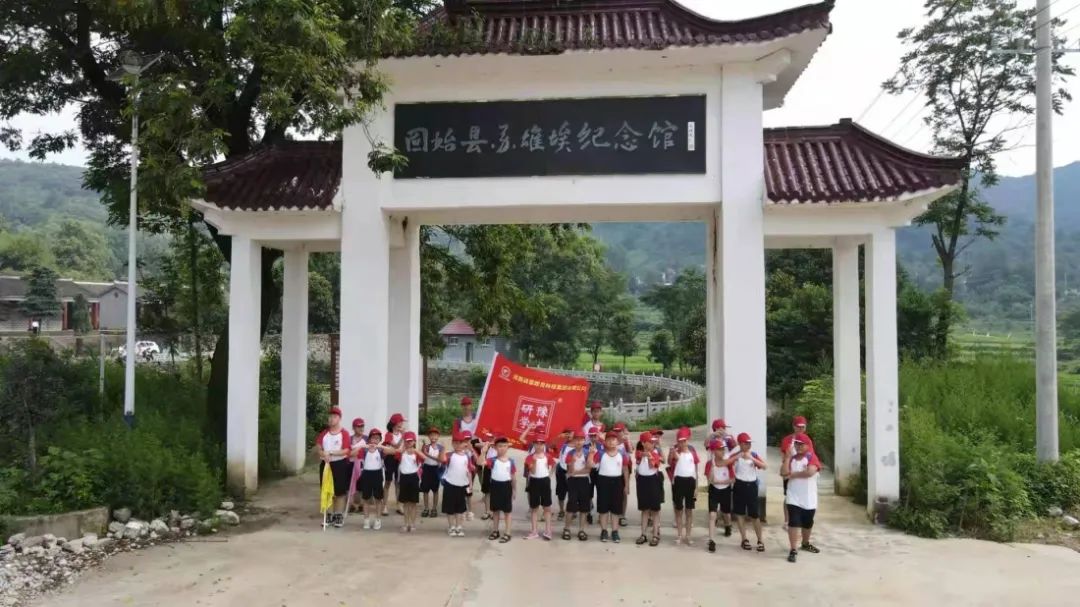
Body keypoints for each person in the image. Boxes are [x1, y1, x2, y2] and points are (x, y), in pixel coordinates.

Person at [725, 432, 767, 552]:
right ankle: (744, 539)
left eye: (749, 443)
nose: (748, 445)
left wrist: (752, 459)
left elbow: (764, 466)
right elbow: (725, 463)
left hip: (752, 486)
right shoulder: (735, 455)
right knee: (740, 513)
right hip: (739, 485)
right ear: (740, 444)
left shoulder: (753, 454)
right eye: (746, 443)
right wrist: (736, 457)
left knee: (754, 515)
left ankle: (760, 540)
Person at [782, 434, 821, 563]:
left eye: (801, 444)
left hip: (809, 498)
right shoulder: (791, 459)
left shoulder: (811, 457)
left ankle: (805, 543)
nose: (798, 446)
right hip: (793, 496)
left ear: (808, 446)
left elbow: (810, 472)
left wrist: (792, 474)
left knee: (807, 522)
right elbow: (783, 472)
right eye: (796, 444)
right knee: (794, 522)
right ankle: (793, 549)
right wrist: (787, 458)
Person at [315, 407, 352, 528]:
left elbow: (346, 450)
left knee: (340, 491)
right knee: (326, 490)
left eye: (334, 417)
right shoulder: (324, 433)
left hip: (339, 464)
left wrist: (330, 453)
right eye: (330, 417)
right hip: (326, 465)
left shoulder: (344, 433)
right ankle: (329, 515)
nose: (331, 419)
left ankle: (338, 516)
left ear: (339, 419)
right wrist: (323, 454)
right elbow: (319, 448)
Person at [594, 430, 631, 543]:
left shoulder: (622, 454)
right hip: (603, 481)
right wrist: (591, 454)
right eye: (608, 440)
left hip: (617, 481)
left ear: (617, 441)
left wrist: (626, 485)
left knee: (616, 509)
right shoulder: (600, 453)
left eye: (613, 440)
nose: (611, 442)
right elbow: (591, 465)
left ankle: (615, 531)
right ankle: (604, 531)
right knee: (603, 508)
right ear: (605, 442)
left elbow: (625, 470)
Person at [358, 428, 398, 530]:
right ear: (369, 439)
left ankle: (378, 519)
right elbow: (352, 453)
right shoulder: (365, 450)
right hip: (366, 474)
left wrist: (382, 446)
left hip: (377, 474)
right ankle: (366, 520)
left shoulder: (381, 450)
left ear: (380, 440)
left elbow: (394, 451)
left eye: (377, 438)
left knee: (378, 498)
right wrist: (361, 446)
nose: (374, 440)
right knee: (366, 498)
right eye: (373, 438)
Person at [779, 415, 815, 528]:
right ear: (793, 426)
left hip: (802, 470)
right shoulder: (787, 440)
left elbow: (811, 455)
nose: (800, 429)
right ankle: (787, 520)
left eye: (803, 427)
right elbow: (783, 456)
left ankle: (800, 517)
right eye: (798, 426)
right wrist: (787, 465)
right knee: (788, 495)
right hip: (789, 470)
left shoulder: (807, 440)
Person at [521, 424, 555, 540]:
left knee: (547, 507)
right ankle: (534, 531)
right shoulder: (529, 458)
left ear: (544, 444)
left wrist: (549, 474)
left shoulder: (548, 456)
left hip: (545, 481)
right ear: (533, 444)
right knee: (534, 508)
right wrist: (534, 462)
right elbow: (533, 471)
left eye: (541, 443)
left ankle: (548, 530)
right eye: (537, 443)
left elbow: (553, 464)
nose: (539, 446)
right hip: (534, 481)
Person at [667, 426, 700, 546]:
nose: (682, 443)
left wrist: (696, 487)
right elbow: (669, 462)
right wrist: (671, 453)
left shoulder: (693, 453)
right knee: (679, 510)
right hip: (678, 482)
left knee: (689, 510)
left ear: (687, 440)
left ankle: (688, 535)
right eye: (680, 441)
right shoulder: (676, 452)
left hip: (690, 482)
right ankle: (679, 535)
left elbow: (696, 471)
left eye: (684, 441)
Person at [705, 435, 736, 553]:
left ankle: (728, 526)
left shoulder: (728, 463)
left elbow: (733, 479)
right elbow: (710, 480)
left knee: (726, 513)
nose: (722, 451)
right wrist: (712, 471)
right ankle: (711, 540)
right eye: (719, 449)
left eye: (723, 449)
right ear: (714, 451)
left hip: (726, 490)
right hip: (714, 490)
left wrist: (721, 482)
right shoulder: (710, 463)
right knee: (712, 515)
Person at [561, 430, 594, 541]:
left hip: (584, 481)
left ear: (584, 441)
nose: (579, 442)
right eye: (577, 439)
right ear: (573, 441)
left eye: (581, 439)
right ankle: (567, 529)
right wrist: (573, 462)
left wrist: (591, 455)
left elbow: (588, 469)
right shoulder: (570, 453)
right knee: (571, 504)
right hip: (573, 482)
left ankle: (582, 530)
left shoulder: (587, 452)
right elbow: (570, 471)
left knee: (584, 507)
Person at [441, 430, 475, 537]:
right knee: (450, 508)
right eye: (455, 443)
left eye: (460, 443)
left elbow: (469, 471)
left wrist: (470, 485)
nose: (458, 445)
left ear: (464, 443)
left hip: (462, 485)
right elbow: (442, 459)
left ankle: (459, 526)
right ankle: (451, 526)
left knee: (460, 508)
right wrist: (443, 449)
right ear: (452, 443)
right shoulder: (449, 455)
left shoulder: (467, 457)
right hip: (450, 484)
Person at [634, 431, 663, 546]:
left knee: (655, 510)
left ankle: (655, 535)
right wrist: (645, 454)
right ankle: (643, 534)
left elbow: (653, 466)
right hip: (642, 482)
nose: (652, 444)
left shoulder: (655, 454)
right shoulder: (639, 453)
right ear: (643, 443)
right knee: (644, 509)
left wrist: (650, 457)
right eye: (650, 442)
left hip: (653, 481)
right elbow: (638, 455)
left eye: (653, 442)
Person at [486, 436, 516, 543]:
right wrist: (484, 451)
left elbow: (513, 476)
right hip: (495, 486)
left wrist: (514, 490)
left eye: (504, 446)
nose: (502, 448)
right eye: (499, 446)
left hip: (506, 486)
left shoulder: (511, 461)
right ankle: (495, 531)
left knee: (507, 511)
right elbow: (480, 462)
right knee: (495, 510)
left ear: (507, 447)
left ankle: (508, 532)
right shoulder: (492, 460)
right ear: (495, 447)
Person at [396, 431, 424, 532]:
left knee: (413, 503)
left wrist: (415, 450)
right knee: (406, 503)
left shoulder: (416, 453)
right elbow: (394, 452)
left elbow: (424, 457)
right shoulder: (401, 453)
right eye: (407, 441)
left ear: (414, 441)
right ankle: (406, 523)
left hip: (413, 478)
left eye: (411, 441)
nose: (409, 443)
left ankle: (412, 524)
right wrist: (402, 448)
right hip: (404, 477)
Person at [383, 413, 407, 516]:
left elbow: (406, 447)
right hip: (390, 459)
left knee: (398, 483)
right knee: (388, 482)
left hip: (400, 460)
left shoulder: (402, 434)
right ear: (395, 423)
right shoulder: (389, 434)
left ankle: (399, 505)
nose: (402, 424)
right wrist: (403, 436)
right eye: (400, 421)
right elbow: (396, 446)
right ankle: (384, 506)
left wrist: (404, 436)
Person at [420, 427, 445, 518]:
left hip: (435, 469)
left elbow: (441, 459)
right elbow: (422, 457)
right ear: (429, 436)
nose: (433, 437)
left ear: (438, 436)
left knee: (435, 490)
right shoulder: (426, 446)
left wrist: (427, 454)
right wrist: (423, 451)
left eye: (435, 435)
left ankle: (434, 508)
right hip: (426, 469)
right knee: (425, 490)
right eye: (431, 435)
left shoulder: (441, 447)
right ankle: (426, 508)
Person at [613, 422, 632, 527]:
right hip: (613, 471)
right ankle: (614, 513)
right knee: (614, 493)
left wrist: (627, 440)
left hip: (624, 469)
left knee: (624, 492)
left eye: (619, 431)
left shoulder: (625, 442)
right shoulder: (611, 441)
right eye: (615, 431)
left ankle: (622, 515)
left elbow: (630, 450)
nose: (617, 433)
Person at [346, 417, 367, 513]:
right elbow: (347, 452)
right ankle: (351, 504)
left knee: (362, 484)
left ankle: (362, 504)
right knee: (350, 483)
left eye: (362, 426)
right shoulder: (349, 439)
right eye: (358, 426)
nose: (361, 428)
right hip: (350, 464)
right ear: (354, 428)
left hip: (363, 464)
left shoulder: (366, 438)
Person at [476, 430, 496, 522]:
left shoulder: (499, 447)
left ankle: (494, 511)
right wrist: (486, 445)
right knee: (487, 491)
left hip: (497, 470)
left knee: (495, 491)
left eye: (492, 437)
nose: (490, 439)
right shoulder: (486, 447)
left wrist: (495, 444)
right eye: (489, 437)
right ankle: (487, 511)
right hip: (488, 469)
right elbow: (476, 445)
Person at [554, 427, 573, 521]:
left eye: (570, 433)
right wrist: (558, 437)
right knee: (561, 493)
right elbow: (551, 446)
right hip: (561, 470)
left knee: (572, 493)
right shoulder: (562, 444)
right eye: (566, 433)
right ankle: (561, 510)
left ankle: (571, 510)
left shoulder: (579, 445)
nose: (568, 435)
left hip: (572, 472)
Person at [586, 425, 603, 525]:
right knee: (589, 493)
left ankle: (601, 515)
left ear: (598, 435)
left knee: (601, 493)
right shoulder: (585, 446)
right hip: (589, 471)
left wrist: (597, 452)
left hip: (600, 471)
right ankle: (589, 513)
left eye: (595, 435)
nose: (593, 437)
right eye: (591, 436)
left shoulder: (602, 445)